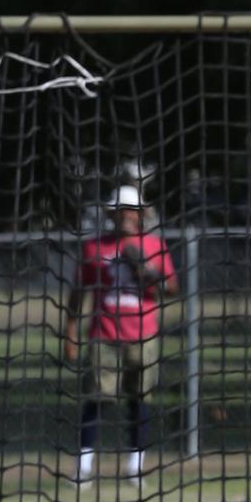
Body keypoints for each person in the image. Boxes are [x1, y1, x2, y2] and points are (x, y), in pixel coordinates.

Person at [63, 186, 179, 485]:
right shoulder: (94, 248)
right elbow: (79, 291)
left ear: (140, 215)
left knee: (139, 400)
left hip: (143, 335)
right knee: (97, 399)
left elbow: (172, 288)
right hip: (104, 334)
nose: (126, 217)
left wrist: (147, 271)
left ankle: (135, 466)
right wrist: (70, 330)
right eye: (121, 211)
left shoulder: (154, 245)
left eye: (132, 211)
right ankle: (84, 467)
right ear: (111, 214)